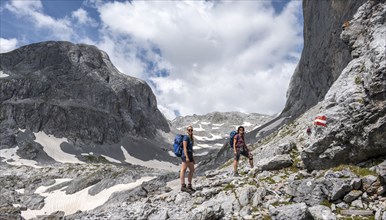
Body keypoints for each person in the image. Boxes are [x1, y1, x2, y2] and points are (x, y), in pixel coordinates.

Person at [180, 125, 196, 193]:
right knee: (183, 169)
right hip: (185, 155)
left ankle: (189, 185)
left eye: (191, 130)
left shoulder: (191, 138)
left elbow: (191, 149)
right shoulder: (186, 137)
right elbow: (185, 148)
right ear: (187, 131)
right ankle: (183, 186)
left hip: (190, 155)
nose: (190, 131)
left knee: (192, 170)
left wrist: (192, 158)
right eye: (189, 130)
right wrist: (186, 157)